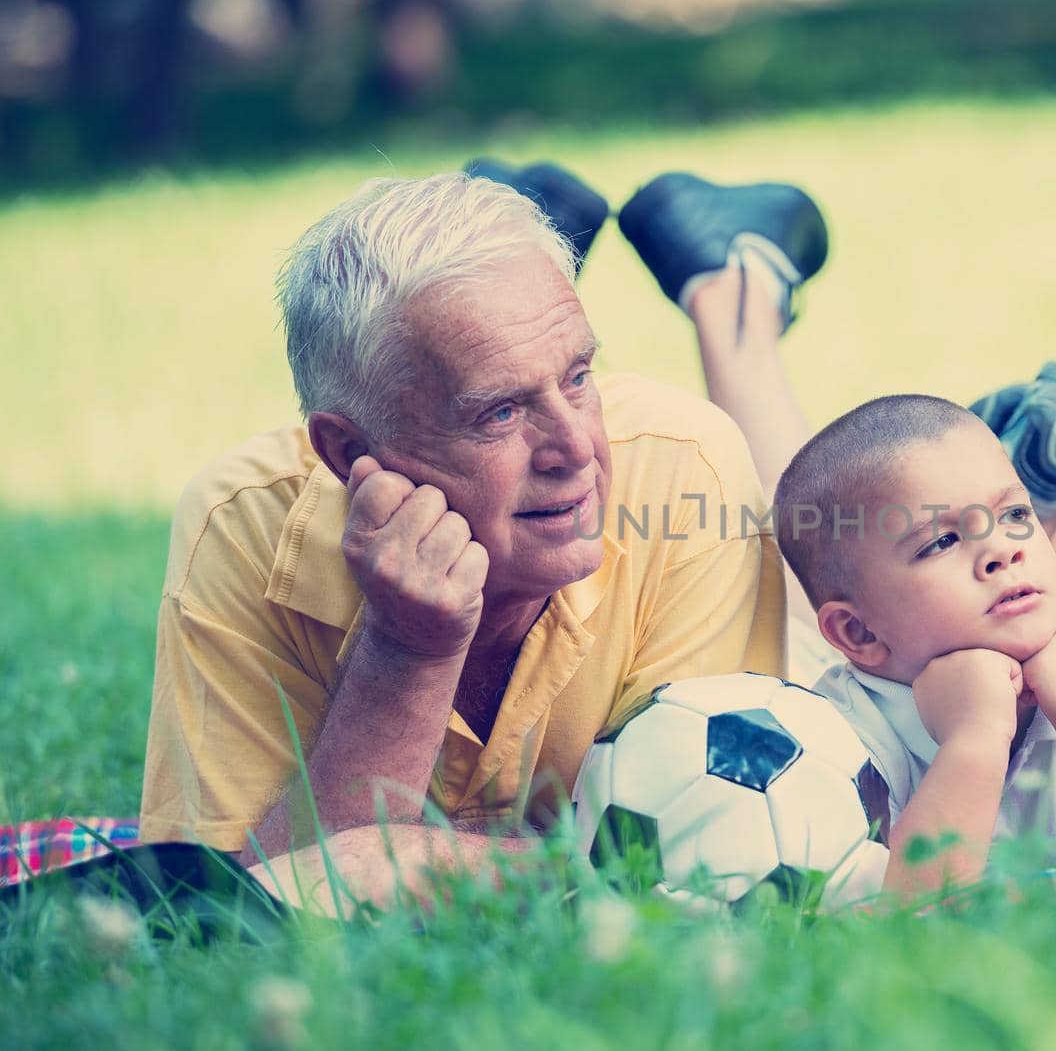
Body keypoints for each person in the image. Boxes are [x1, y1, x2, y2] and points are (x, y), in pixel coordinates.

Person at [138, 165, 833, 904]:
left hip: (815, 645)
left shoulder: (679, 463)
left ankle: (734, 287)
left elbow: (715, 849)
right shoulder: (242, 525)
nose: (577, 451)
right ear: (347, 453)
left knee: (816, 540)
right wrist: (406, 651)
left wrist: (415, 863)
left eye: (579, 375)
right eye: (497, 412)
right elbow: (240, 912)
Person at [639, 186, 1056, 898]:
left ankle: (1049, 496)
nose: (1003, 550)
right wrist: (973, 743)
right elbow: (906, 921)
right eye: (941, 542)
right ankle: (1043, 485)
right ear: (856, 634)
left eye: (1018, 519)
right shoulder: (834, 740)